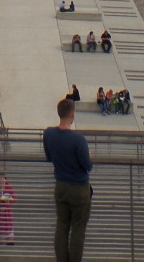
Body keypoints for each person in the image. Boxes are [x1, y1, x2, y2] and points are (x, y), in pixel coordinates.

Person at [43, 97, 93, 262]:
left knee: (62, 225)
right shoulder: (78, 139)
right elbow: (87, 166)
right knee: (78, 229)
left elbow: (49, 157)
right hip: (79, 188)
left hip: (61, 186)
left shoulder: (49, 133)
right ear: (72, 116)